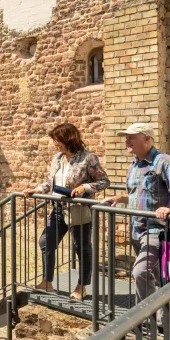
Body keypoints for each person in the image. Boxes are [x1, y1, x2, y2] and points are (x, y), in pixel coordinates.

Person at [101, 123, 170, 328]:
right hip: (137, 230)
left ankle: (145, 318)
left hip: (157, 230)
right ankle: (161, 321)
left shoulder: (164, 162)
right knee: (151, 276)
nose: (127, 140)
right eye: (125, 136)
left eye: (131, 137)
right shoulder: (134, 165)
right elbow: (140, 196)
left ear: (147, 139)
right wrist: (120, 197)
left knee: (140, 272)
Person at [23, 122, 110, 300]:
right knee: (46, 241)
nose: (55, 144)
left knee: (81, 248)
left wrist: (85, 187)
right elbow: (50, 181)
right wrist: (37, 190)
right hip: (57, 208)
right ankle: (47, 283)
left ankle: (82, 286)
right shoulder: (57, 158)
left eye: (57, 140)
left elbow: (104, 181)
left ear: (68, 139)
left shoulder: (88, 158)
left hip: (78, 209)